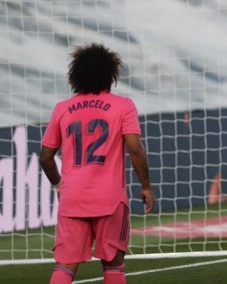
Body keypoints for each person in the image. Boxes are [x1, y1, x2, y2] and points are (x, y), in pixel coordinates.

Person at [39, 43, 155, 284]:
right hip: (110, 200)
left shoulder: (62, 109)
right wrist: (146, 186)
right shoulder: (123, 106)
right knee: (113, 265)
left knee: (64, 266)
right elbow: (135, 149)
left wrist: (59, 186)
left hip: (72, 199)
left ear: (76, 75)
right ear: (110, 74)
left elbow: (45, 158)